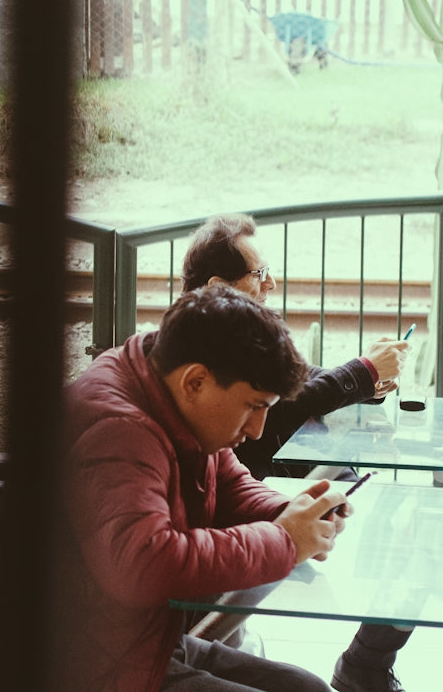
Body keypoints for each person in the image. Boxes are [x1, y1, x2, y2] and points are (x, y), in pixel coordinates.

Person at [61, 284, 347, 692]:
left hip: (140, 643)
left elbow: (227, 482)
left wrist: (291, 511)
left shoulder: (161, 386)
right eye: (254, 406)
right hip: (94, 666)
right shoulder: (119, 431)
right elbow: (144, 563)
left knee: (308, 688)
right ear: (195, 381)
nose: (257, 429)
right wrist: (283, 540)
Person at [181, 214, 411, 692]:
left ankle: (364, 657)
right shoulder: (206, 349)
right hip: (165, 617)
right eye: (260, 274)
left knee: (356, 486)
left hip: (248, 505)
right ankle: (365, 659)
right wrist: (363, 372)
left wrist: (365, 381)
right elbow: (284, 407)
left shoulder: (227, 334)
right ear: (219, 287)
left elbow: (292, 382)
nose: (272, 284)